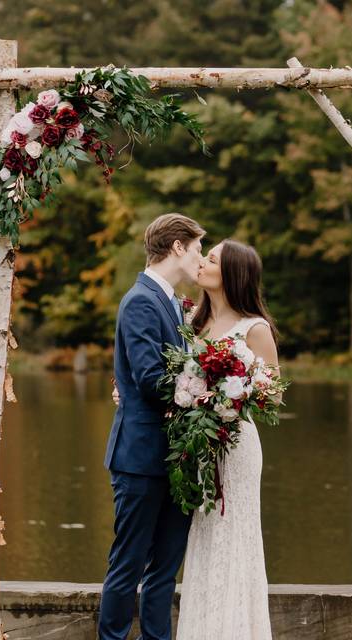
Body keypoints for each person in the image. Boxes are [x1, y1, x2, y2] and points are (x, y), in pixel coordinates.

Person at [110, 239, 280, 639]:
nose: (202, 262)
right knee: (199, 547)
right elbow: (159, 373)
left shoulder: (255, 329)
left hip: (234, 447)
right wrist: (126, 389)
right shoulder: (190, 323)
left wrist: (231, 397)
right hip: (196, 450)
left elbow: (272, 393)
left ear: (232, 274)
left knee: (234, 541)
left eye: (212, 258)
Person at [99, 212, 205, 640]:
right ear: (177, 246)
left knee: (164, 569)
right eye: (197, 247)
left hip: (174, 458)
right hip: (140, 457)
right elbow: (148, 379)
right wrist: (209, 392)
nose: (200, 257)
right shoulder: (141, 300)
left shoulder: (171, 302)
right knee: (128, 564)